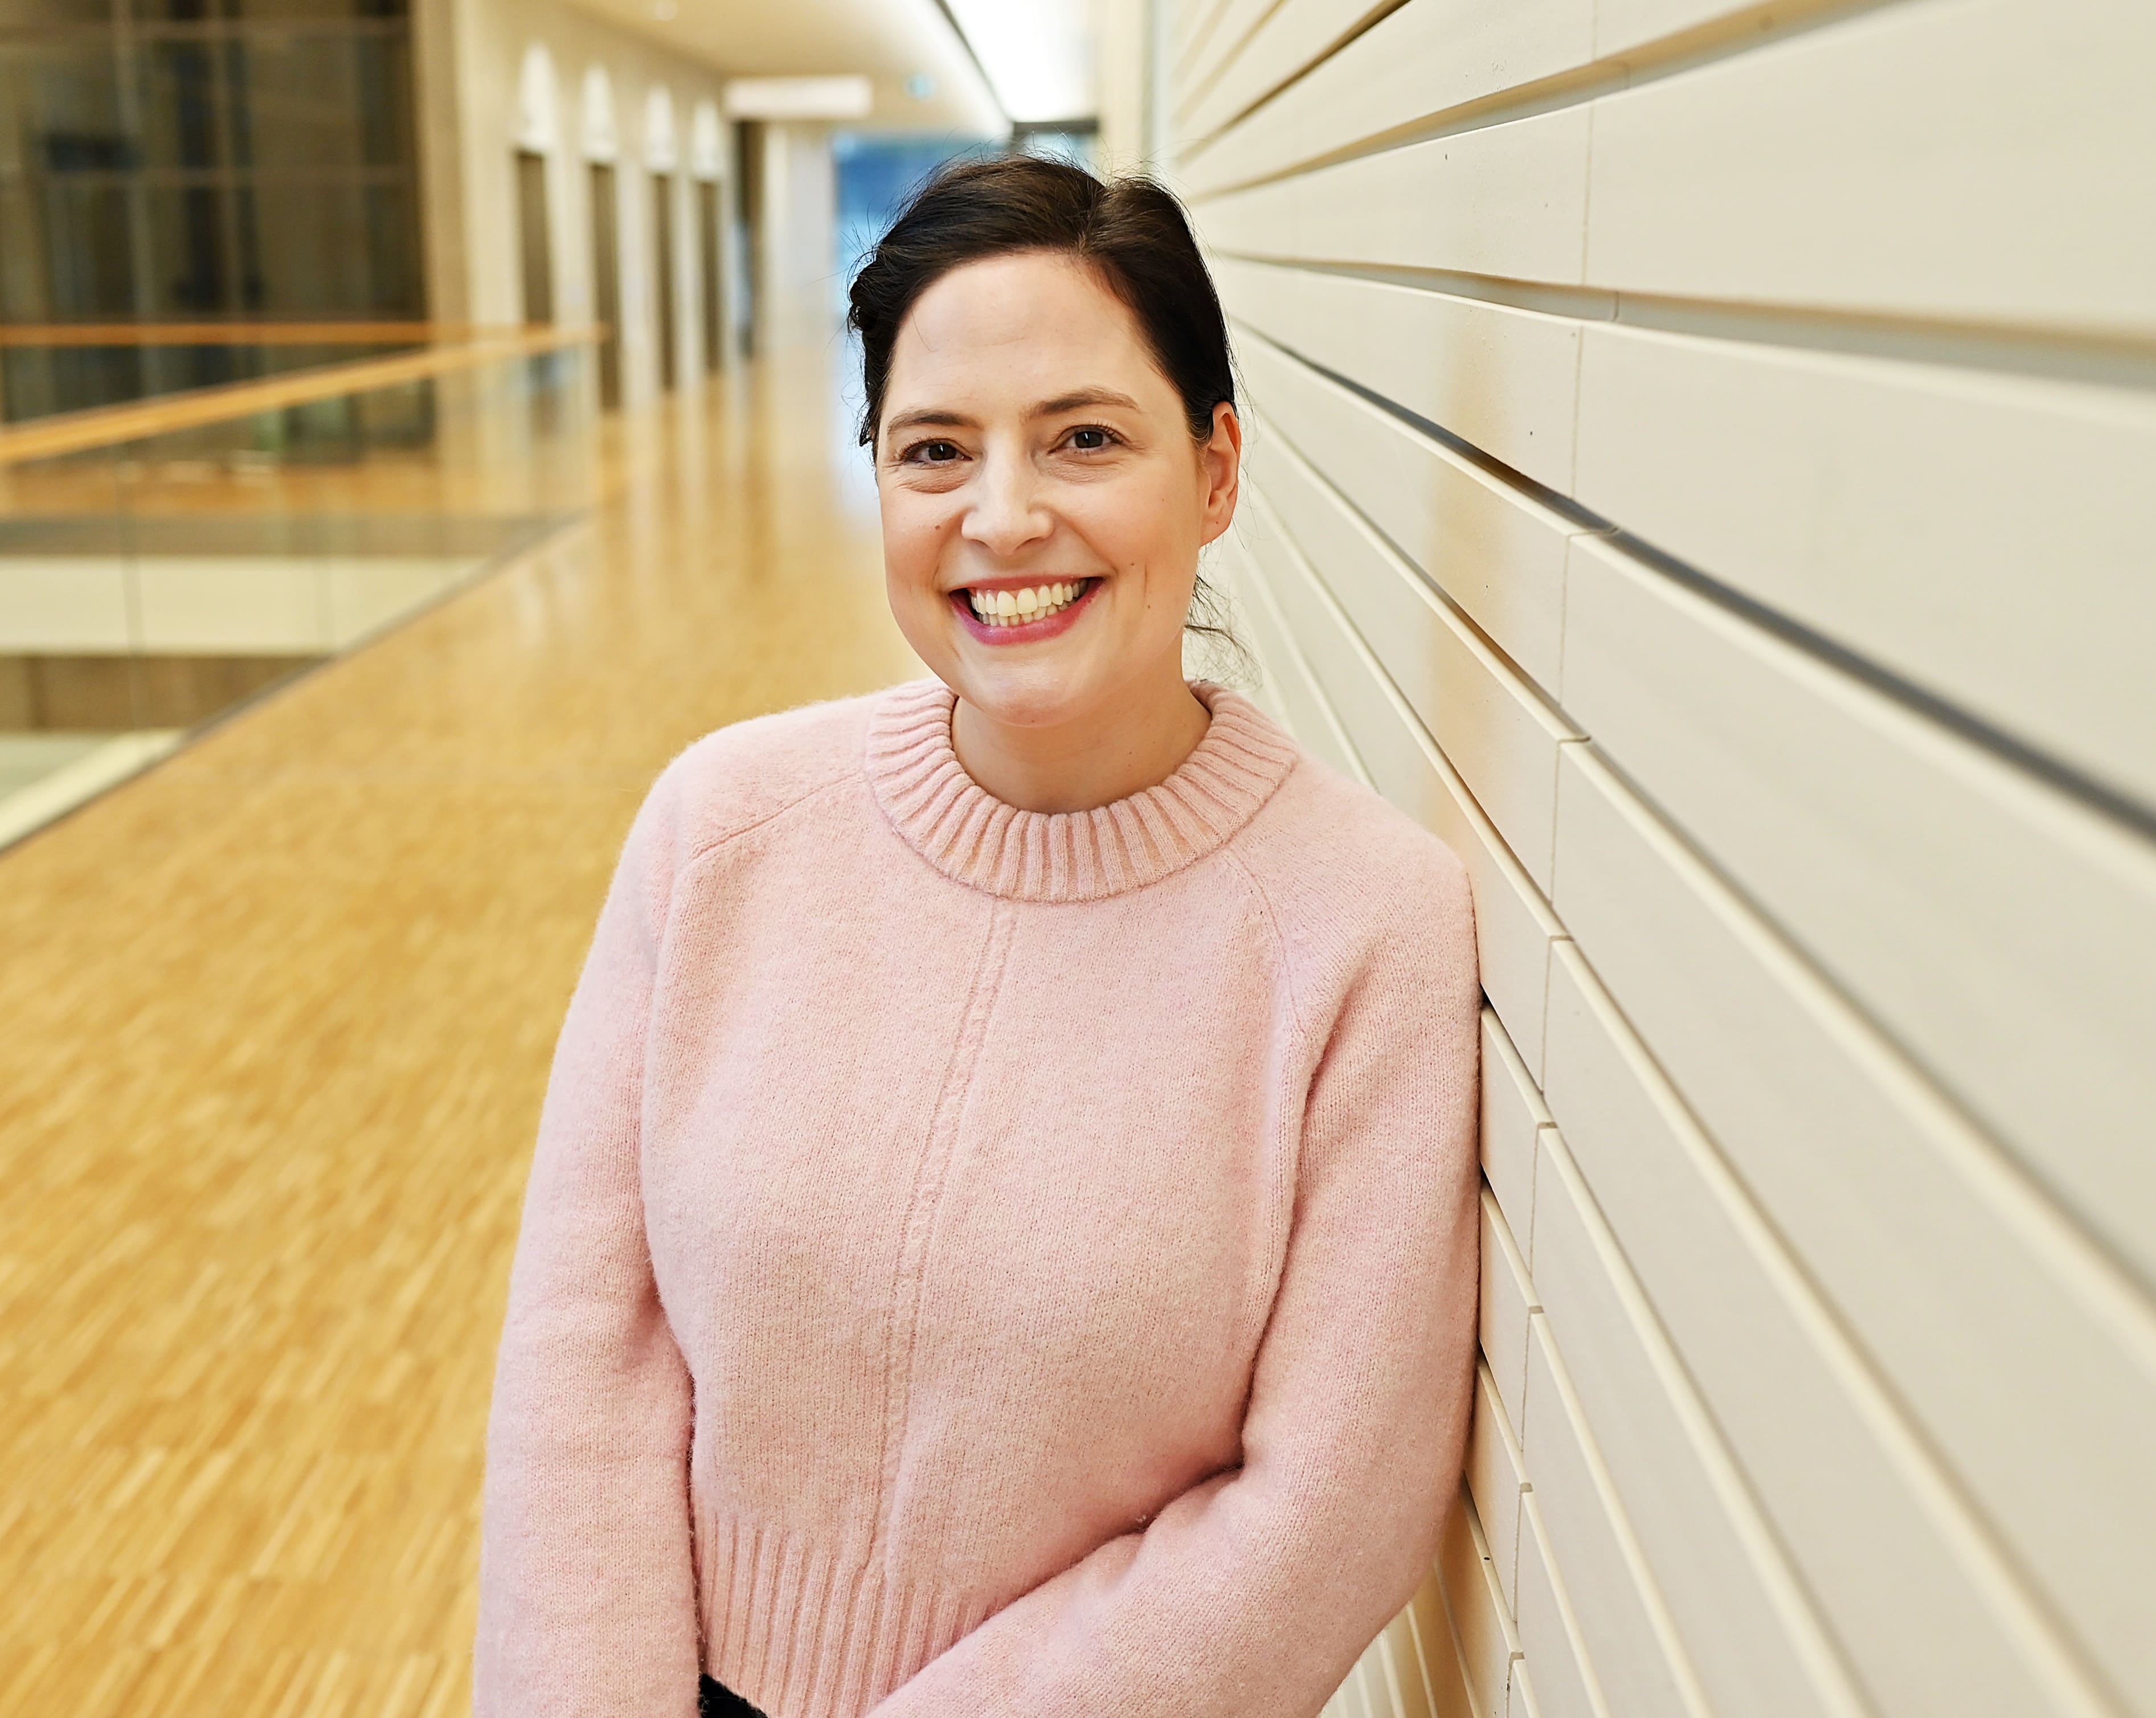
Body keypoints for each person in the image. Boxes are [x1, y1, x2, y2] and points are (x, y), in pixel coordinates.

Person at [472, 154, 1479, 1718]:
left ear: (1215, 470)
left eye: (1085, 438)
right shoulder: (718, 829)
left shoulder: (1368, 928)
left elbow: (1328, 1507)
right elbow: (586, 1348)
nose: (1004, 519)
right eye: (935, 450)